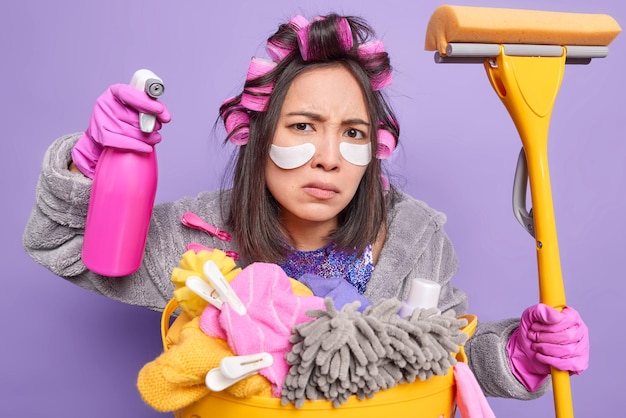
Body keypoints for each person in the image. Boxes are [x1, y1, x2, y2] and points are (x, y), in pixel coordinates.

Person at [23, 13, 588, 402]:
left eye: (352, 133)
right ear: (259, 136)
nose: (328, 158)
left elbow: (447, 354)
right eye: (302, 126)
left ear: (375, 150)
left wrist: (519, 355)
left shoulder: (412, 238)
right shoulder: (199, 236)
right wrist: (91, 163)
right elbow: (62, 245)